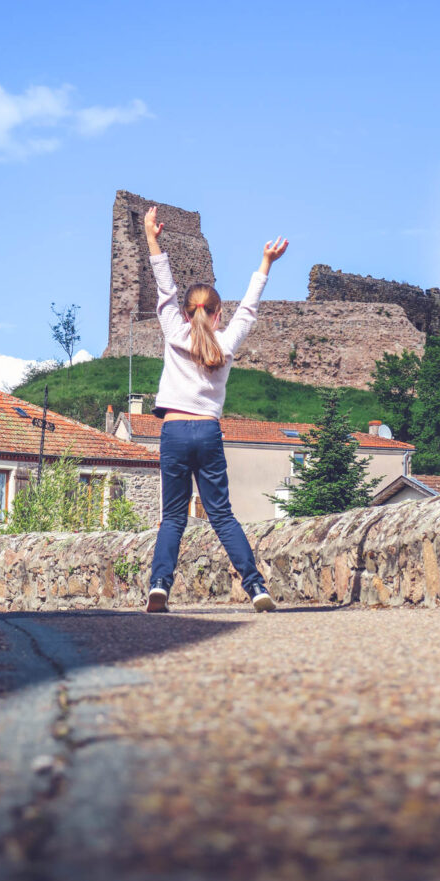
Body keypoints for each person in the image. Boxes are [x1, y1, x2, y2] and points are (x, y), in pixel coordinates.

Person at [143, 205, 288, 613]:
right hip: (207, 432)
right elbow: (250, 310)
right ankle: (257, 588)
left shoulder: (174, 332)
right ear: (218, 313)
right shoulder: (225, 345)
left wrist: (153, 238)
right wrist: (265, 263)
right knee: (222, 516)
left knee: (173, 517)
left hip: (172, 431)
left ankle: (159, 585)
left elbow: (164, 287)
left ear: (186, 313)